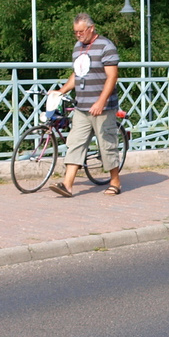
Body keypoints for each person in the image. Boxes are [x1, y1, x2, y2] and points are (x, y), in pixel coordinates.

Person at [50, 13, 123, 198]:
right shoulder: (78, 48)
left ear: (91, 28)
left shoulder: (106, 46)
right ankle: (67, 185)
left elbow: (112, 77)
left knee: (106, 145)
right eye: (75, 33)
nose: (78, 36)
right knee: (75, 144)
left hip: (103, 108)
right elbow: (77, 73)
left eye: (81, 32)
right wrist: (62, 90)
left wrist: (101, 101)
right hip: (82, 106)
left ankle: (115, 181)